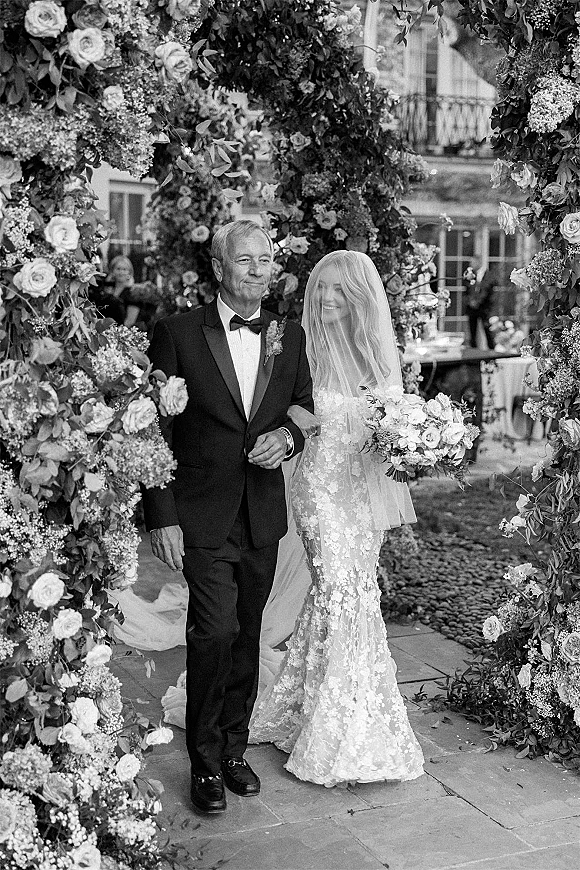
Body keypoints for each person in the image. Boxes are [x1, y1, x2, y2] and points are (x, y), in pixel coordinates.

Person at [141, 220, 316, 815]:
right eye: (246, 261)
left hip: (262, 513)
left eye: (266, 260)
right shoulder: (177, 334)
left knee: (247, 631)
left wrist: (289, 438)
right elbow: (151, 429)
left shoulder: (287, 337)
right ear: (220, 268)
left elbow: (306, 406)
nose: (260, 270)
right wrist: (161, 516)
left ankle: (236, 749)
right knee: (212, 630)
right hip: (200, 513)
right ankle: (205, 760)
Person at [250, 250, 424, 786]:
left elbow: (391, 426)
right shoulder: (301, 349)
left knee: (355, 593)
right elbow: (289, 412)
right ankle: (337, 723)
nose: (324, 299)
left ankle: (317, 708)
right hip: (319, 490)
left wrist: (417, 438)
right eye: (319, 288)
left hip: (360, 494)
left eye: (336, 292)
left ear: (357, 300)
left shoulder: (375, 355)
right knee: (339, 589)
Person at [90, 254, 141, 326]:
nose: (121, 272)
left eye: (124, 269)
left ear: (129, 272)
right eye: (118, 269)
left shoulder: (132, 293)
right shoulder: (105, 289)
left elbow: (130, 321)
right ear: (112, 271)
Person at [462, 256, 497, 349]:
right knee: (472, 333)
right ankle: (473, 357)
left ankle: (492, 355)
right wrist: (470, 301)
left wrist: (477, 302)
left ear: (479, 262)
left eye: (472, 262)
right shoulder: (470, 276)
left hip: (484, 308)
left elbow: (487, 290)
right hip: (472, 309)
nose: (470, 265)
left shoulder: (489, 275)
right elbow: (466, 291)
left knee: (488, 332)